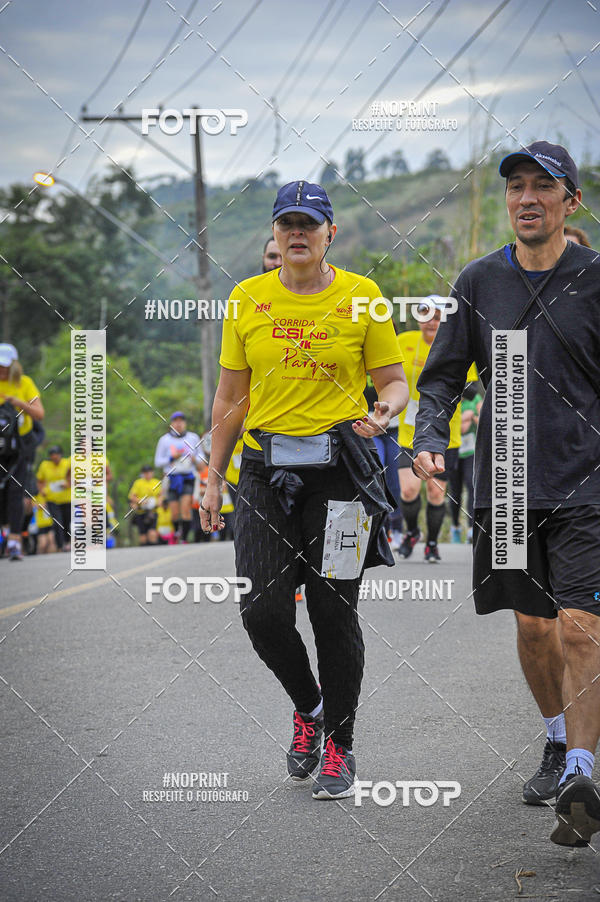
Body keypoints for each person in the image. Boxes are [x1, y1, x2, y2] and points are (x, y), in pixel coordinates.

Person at [412, 141, 600, 847]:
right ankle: (557, 739)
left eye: (542, 188)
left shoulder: (596, 278)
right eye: (516, 187)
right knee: (532, 628)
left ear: (569, 202)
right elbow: (441, 376)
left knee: (581, 625)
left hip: (587, 482)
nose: (527, 197)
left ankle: (582, 774)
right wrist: (430, 435)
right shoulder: (479, 282)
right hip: (511, 480)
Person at [200, 180, 407, 800]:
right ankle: (310, 709)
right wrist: (214, 476)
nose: (297, 234)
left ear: (329, 234)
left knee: (331, 610)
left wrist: (386, 412)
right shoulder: (246, 300)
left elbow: (393, 382)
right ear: (274, 233)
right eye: (286, 224)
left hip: (341, 474)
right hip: (264, 471)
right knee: (261, 612)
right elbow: (231, 398)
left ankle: (340, 743)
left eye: (308, 225)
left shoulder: (362, 298)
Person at [395, 299, 478, 562]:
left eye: (437, 315)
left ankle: (431, 542)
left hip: (446, 434)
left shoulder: (455, 342)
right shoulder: (404, 340)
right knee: (408, 490)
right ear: (417, 317)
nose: (431, 320)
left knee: (435, 493)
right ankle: (412, 533)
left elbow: (473, 387)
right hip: (409, 430)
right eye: (424, 313)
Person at [0, 343, 44, 561]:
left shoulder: (24, 383)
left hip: (19, 448)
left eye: (5, 366)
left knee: (16, 494)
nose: (1, 370)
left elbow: (39, 413)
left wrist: (18, 403)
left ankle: (15, 541)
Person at [154, 412, 203, 543]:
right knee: (174, 512)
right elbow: (158, 461)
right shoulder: (164, 440)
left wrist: (193, 459)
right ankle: (176, 532)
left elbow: (201, 457)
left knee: (186, 509)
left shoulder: (193, 438)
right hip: (172, 478)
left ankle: (185, 538)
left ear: (185, 423)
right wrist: (171, 457)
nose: (179, 423)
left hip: (188, 476)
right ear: (171, 424)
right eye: (176, 421)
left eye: (181, 421)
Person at [448, 386, 482, 543]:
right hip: (453, 450)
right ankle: (455, 526)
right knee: (455, 492)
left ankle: (470, 528)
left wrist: (472, 417)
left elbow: (484, 417)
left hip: (470, 452)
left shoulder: (473, 397)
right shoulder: (448, 395)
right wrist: (465, 417)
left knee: (471, 485)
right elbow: (458, 427)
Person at [36, 445, 71, 551]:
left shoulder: (67, 463)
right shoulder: (45, 465)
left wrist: (68, 484)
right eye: (52, 456)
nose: (54, 457)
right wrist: (42, 490)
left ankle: (67, 542)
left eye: (56, 455)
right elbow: (40, 480)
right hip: (52, 499)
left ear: (61, 455)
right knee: (57, 522)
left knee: (66, 521)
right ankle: (60, 546)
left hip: (66, 499)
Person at [128, 465, 161, 545]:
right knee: (143, 536)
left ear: (152, 473)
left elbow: (160, 496)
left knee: (152, 533)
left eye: (149, 472)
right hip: (141, 512)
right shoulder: (138, 483)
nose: (148, 474)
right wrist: (141, 501)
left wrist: (157, 503)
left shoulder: (156, 482)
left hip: (153, 511)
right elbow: (132, 496)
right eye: (146, 473)